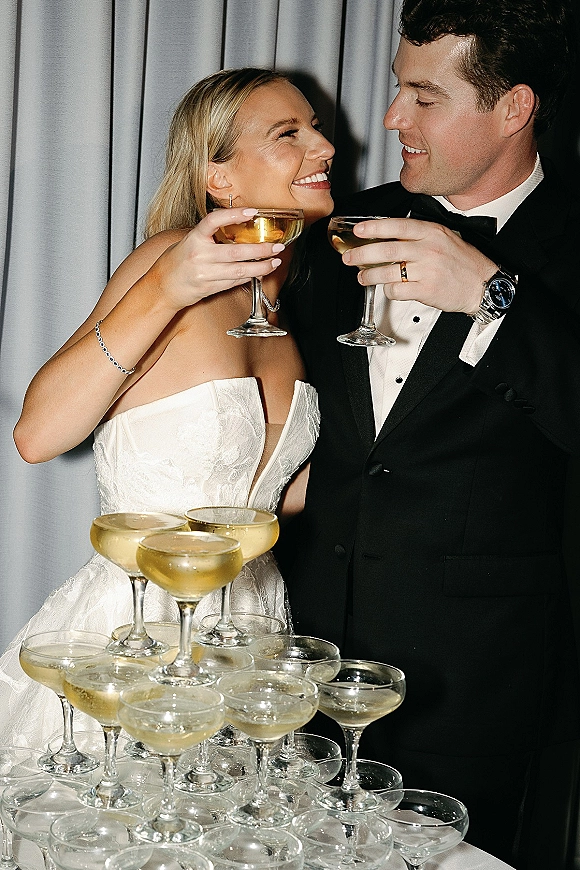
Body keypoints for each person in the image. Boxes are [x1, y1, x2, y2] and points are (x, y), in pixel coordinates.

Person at [281, 1, 580, 867]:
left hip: (478, 688)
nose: (388, 120)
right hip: (303, 664)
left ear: (514, 108)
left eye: (424, 96)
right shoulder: (332, 224)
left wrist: (491, 300)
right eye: (395, 89)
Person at [0, 67, 335, 747]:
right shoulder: (165, 263)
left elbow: (280, 499)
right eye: (288, 134)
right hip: (133, 639)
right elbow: (37, 434)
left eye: (318, 130)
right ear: (221, 181)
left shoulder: (283, 314)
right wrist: (165, 288)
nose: (324, 148)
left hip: (253, 638)